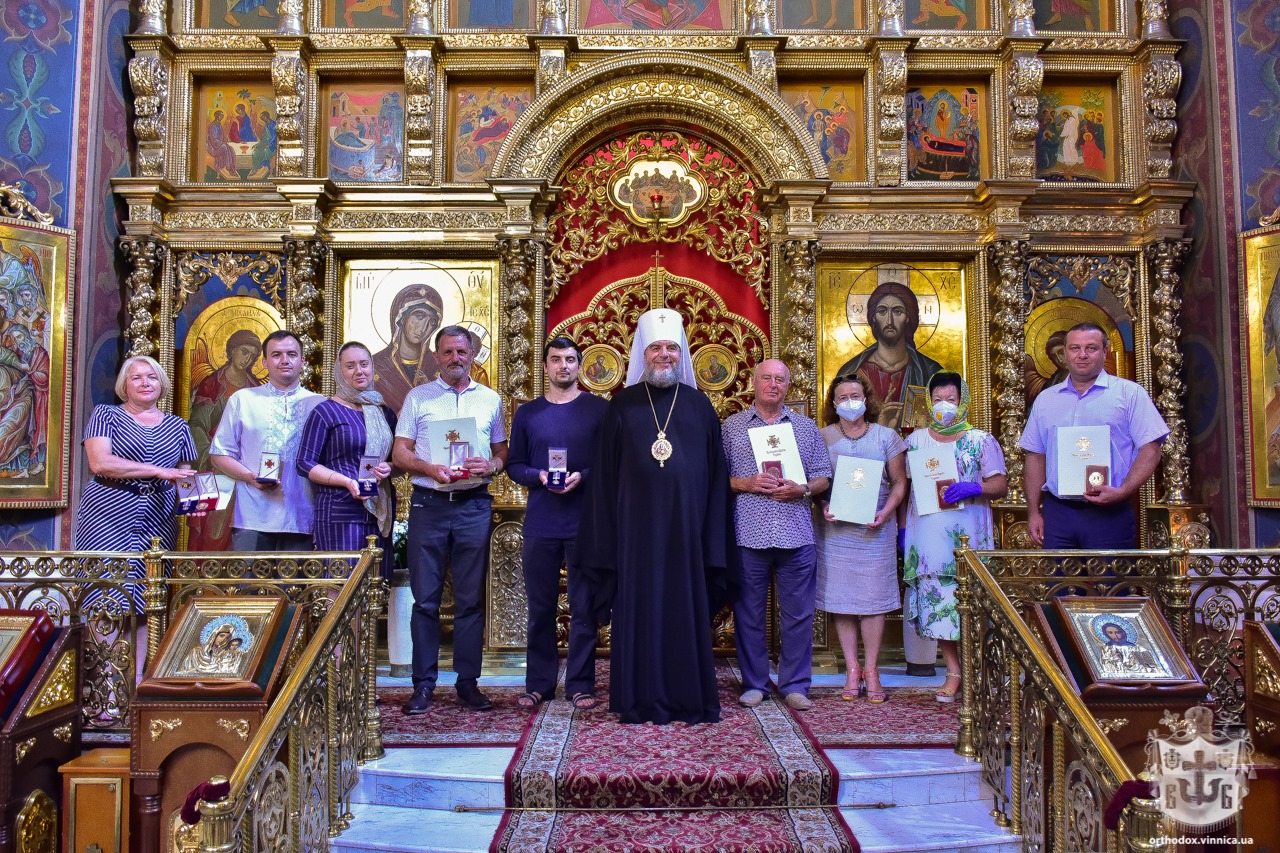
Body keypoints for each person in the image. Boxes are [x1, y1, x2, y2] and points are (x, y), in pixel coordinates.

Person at [577, 308, 731, 725]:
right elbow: (605, 478)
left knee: (684, 612)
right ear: (642, 355)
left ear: (681, 353)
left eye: (671, 348)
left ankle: (688, 700)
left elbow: (717, 478)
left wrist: (711, 537)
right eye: (656, 348)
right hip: (635, 536)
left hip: (687, 536)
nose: (664, 355)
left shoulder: (700, 406)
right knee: (639, 611)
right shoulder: (622, 406)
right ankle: (638, 700)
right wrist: (607, 538)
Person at [392, 326, 507, 714]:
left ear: (472, 353)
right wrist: (427, 466)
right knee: (425, 600)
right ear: (436, 356)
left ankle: (467, 684)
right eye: (447, 352)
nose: (455, 358)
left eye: (461, 351)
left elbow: (501, 452)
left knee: (470, 600)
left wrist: (489, 464)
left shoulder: (490, 399)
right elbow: (400, 451)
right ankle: (423, 685)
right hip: (430, 504)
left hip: (474, 504)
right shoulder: (418, 397)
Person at [506, 336, 608, 710]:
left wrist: (583, 474)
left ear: (579, 365)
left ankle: (581, 684)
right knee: (540, 608)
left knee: (583, 608)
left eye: (570, 359)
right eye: (555, 359)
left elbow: (611, 462)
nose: (563, 365)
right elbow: (514, 465)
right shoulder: (528, 414)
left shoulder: (599, 410)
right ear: (545, 366)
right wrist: (540, 476)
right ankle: (539, 684)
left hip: (584, 524)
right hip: (541, 524)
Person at [722, 359, 831, 711]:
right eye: (766, 378)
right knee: (748, 614)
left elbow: (822, 478)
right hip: (747, 533)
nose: (773, 384)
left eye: (780, 379)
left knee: (798, 614)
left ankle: (795, 684)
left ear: (788, 386)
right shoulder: (731, 427)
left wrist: (802, 489)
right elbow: (714, 479)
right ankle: (754, 683)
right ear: (753, 382)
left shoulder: (805, 427)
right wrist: (745, 482)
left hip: (796, 533)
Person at [903, 371, 1007, 703]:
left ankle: (979, 671)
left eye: (951, 400)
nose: (944, 406)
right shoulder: (917, 440)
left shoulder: (980, 440)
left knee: (971, 605)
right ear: (928, 402)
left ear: (962, 402)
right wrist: (906, 532)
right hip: (929, 535)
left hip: (968, 535)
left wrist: (976, 487)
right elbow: (910, 490)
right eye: (937, 400)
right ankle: (953, 672)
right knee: (940, 607)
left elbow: (1000, 485)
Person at [1018, 323, 1169, 549]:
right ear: (1065, 353)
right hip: (1059, 513)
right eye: (1075, 348)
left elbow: (1151, 449)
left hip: (1110, 512)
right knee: (1061, 584)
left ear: (1104, 351)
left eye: (1091, 348)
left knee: (1112, 584)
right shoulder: (1046, 399)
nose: (1082, 355)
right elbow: (1035, 456)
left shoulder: (1129, 394)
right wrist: (1033, 512)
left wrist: (1124, 490)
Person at [73, 356, 197, 610]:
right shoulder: (106, 415)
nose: (145, 383)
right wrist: (157, 470)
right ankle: (105, 652)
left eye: (152, 377)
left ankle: (145, 652)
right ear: (124, 385)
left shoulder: (178, 426)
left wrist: (197, 501)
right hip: (106, 517)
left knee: (148, 598)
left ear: (161, 384)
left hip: (158, 521)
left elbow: (185, 478)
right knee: (104, 595)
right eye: (136, 377)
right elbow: (100, 463)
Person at [815, 372, 907, 703]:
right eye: (843, 397)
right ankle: (852, 669)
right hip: (836, 530)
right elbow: (815, 482)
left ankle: (873, 669)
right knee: (842, 600)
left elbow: (899, 482)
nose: (850, 402)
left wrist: (886, 512)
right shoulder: (821, 436)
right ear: (833, 403)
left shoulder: (887, 436)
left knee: (872, 600)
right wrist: (823, 504)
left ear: (866, 399)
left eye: (856, 395)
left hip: (875, 529)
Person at [210, 330, 323, 551]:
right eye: (276, 355)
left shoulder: (319, 404)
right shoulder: (243, 400)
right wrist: (249, 477)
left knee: (296, 587)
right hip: (252, 517)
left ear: (302, 361)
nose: (284, 360)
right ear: (264, 361)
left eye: (291, 354)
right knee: (249, 585)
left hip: (301, 517)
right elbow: (219, 454)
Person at [296, 342, 397, 576]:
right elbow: (305, 463)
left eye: (364, 364)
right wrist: (347, 482)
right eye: (350, 366)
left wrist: (389, 467)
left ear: (373, 367)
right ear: (339, 371)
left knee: (375, 586)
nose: (358, 371)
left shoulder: (383, 412)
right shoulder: (326, 411)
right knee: (341, 585)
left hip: (378, 511)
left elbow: (397, 462)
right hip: (340, 510)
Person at [836, 280, 945, 428]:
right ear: (873, 317)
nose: (889, 320)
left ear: (908, 317)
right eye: (882, 311)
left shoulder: (930, 371)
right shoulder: (851, 372)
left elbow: (942, 424)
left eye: (897, 311)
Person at [370, 285, 443, 413]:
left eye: (432, 322)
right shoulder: (375, 366)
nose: (423, 328)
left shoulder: (438, 367)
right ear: (401, 317)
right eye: (419, 317)